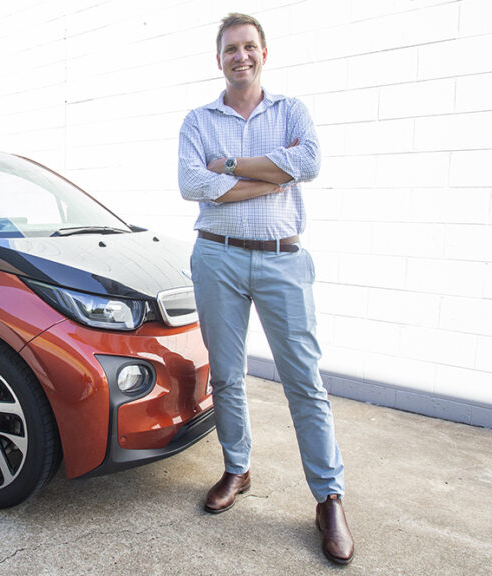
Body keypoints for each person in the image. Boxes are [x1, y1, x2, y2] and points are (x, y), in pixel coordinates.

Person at [177, 12, 354, 565]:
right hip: (217, 259)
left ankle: (328, 498)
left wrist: (230, 168)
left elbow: (309, 162)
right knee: (228, 376)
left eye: (249, 47)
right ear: (219, 58)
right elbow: (191, 183)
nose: (241, 56)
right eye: (231, 48)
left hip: (282, 260)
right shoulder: (198, 120)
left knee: (304, 381)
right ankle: (237, 468)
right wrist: (273, 176)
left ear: (263, 53)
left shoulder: (291, 111)